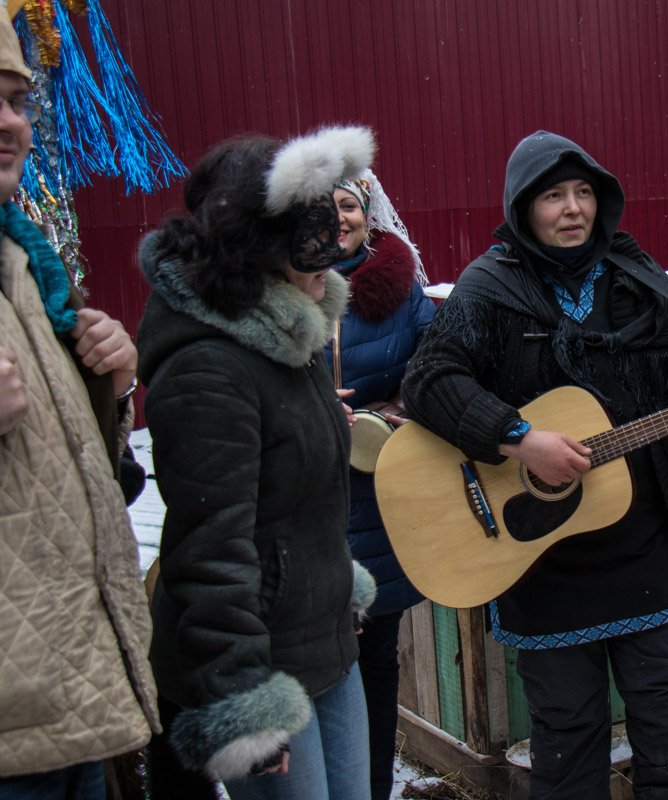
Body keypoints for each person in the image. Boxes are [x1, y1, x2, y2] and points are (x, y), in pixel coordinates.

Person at [401, 130, 668, 798]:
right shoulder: (490, 288)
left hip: (651, 548)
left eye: (583, 192)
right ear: (524, 206)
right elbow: (429, 382)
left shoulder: (635, 278)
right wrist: (518, 437)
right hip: (543, 560)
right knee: (568, 736)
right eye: (553, 195)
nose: (572, 208)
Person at [136, 126, 379, 800]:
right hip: (256, 664)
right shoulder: (208, 369)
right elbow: (211, 551)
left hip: (320, 638)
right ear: (255, 260)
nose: (321, 277)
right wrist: (243, 699)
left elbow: (298, 503)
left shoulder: (285, 337)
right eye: (306, 260)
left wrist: (333, 587)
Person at [0, 10, 159, 798]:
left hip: (67, 694)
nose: (9, 123)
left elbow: (101, 483)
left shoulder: (28, 269)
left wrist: (108, 386)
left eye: (15, 100)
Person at [324, 168, 435, 800]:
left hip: (377, 497)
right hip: (306, 505)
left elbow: (436, 373)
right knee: (318, 659)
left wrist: (388, 415)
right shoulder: (280, 291)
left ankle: (373, 788)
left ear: (368, 213)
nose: (338, 218)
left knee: (375, 659)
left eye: (348, 205)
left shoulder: (400, 293)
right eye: (324, 206)